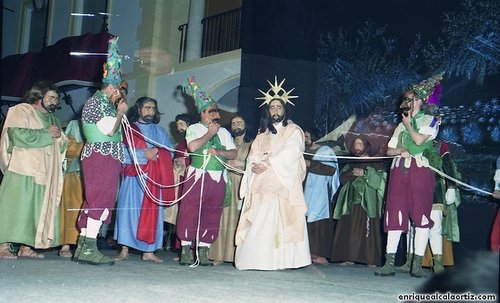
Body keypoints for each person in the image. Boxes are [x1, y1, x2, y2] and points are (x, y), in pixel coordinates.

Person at [234, 76, 311, 270]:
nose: (275, 111)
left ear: (285, 109)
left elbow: (292, 152)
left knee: (284, 220)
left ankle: (282, 261)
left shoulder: (294, 130)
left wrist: (268, 162)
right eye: (272, 108)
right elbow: (252, 156)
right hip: (262, 184)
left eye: (279, 107)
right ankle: (257, 260)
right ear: (267, 111)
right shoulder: (262, 135)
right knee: (261, 220)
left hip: (283, 184)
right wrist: (255, 164)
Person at [375, 73, 443, 278]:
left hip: (419, 171)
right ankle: (389, 261)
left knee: (421, 214)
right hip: (398, 171)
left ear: (420, 101)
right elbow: (389, 150)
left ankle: (417, 263)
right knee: (394, 212)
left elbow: (420, 142)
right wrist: (403, 148)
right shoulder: (399, 125)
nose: (406, 102)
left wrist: (407, 126)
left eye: (410, 99)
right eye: (405, 99)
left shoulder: (430, 120)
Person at [73, 37, 129, 266]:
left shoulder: (104, 102)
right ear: (112, 86)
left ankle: (84, 248)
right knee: (99, 199)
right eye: (119, 88)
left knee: (98, 199)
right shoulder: (98, 103)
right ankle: (88, 248)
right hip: (101, 155)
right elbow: (108, 131)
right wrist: (120, 113)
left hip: (107, 156)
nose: (121, 92)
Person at [0, 80, 67, 259]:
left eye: (56, 98)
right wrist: (46, 134)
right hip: (22, 168)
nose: (55, 101)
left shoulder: (54, 119)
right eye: (51, 97)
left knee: (35, 210)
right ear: (39, 96)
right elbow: (16, 135)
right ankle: (3, 246)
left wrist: (60, 137)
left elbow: (62, 145)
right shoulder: (21, 110)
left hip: (45, 171)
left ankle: (26, 246)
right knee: (13, 208)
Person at [176, 76, 236, 266]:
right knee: (189, 210)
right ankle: (186, 248)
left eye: (216, 111)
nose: (215, 115)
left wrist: (219, 151)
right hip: (197, 176)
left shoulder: (225, 132)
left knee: (212, 212)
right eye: (211, 111)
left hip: (217, 179)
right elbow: (192, 147)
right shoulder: (193, 128)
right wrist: (209, 134)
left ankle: (203, 249)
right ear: (202, 113)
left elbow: (233, 153)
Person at [114, 97, 175, 263]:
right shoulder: (128, 129)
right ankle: (124, 249)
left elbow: (170, 152)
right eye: (147, 108)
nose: (150, 111)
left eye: (153, 108)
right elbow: (122, 153)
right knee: (127, 212)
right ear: (139, 109)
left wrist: (157, 151)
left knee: (152, 214)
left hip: (152, 179)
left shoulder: (160, 132)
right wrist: (144, 155)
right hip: (133, 177)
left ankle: (148, 251)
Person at [397, 140, 461, 274]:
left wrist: (451, 187)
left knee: (435, 227)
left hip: (433, 189)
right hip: (412, 188)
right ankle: (410, 260)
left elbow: (448, 165)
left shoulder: (439, 145)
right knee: (411, 227)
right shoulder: (408, 141)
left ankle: (437, 262)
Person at [331, 135, 387, 267]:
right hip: (350, 201)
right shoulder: (351, 162)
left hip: (367, 202)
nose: (357, 147)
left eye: (360, 144)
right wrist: (351, 173)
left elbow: (380, 181)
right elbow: (342, 179)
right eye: (355, 145)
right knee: (349, 228)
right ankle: (348, 257)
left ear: (367, 146)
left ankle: (370, 259)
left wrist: (365, 173)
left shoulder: (376, 162)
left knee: (368, 229)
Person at [209, 114, 252, 265]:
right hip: (226, 183)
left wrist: (241, 163)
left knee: (240, 220)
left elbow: (259, 165)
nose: (236, 125)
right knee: (222, 218)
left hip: (243, 185)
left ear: (246, 125)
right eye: (233, 123)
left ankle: (239, 256)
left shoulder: (252, 145)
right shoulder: (227, 143)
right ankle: (219, 255)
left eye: (240, 122)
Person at [303, 128, 340, 265]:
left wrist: (310, 164)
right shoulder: (302, 151)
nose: (304, 139)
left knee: (318, 224)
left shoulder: (326, 151)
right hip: (303, 191)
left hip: (319, 194)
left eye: (306, 135)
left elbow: (330, 170)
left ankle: (319, 255)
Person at [163, 113, 193, 252]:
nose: (179, 127)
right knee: (180, 213)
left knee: (189, 213)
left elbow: (200, 158)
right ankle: (180, 247)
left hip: (192, 180)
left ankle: (190, 248)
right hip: (181, 179)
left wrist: (185, 161)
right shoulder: (181, 143)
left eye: (181, 124)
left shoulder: (195, 139)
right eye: (177, 125)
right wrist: (176, 161)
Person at [58, 119, 85, 258]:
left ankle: (85, 246)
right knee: (70, 209)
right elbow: (67, 148)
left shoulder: (104, 124)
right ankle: (66, 245)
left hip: (94, 173)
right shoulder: (74, 125)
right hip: (74, 171)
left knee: (89, 212)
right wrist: (87, 146)